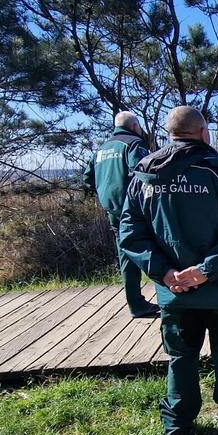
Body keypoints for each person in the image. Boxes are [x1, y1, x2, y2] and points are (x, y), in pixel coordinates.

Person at [118, 106, 218, 435]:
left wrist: (164, 272)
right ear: (203, 132)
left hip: (174, 293)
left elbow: (130, 233)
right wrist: (205, 270)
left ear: (169, 134)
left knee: (181, 357)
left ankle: (177, 429)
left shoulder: (144, 175)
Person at [84, 111, 161, 318]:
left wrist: (104, 194)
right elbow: (143, 173)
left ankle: (136, 304)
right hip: (135, 210)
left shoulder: (101, 148)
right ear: (135, 125)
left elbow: (87, 177)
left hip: (112, 210)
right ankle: (171, 299)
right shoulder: (134, 144)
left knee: (126, 254)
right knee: (159, 249)